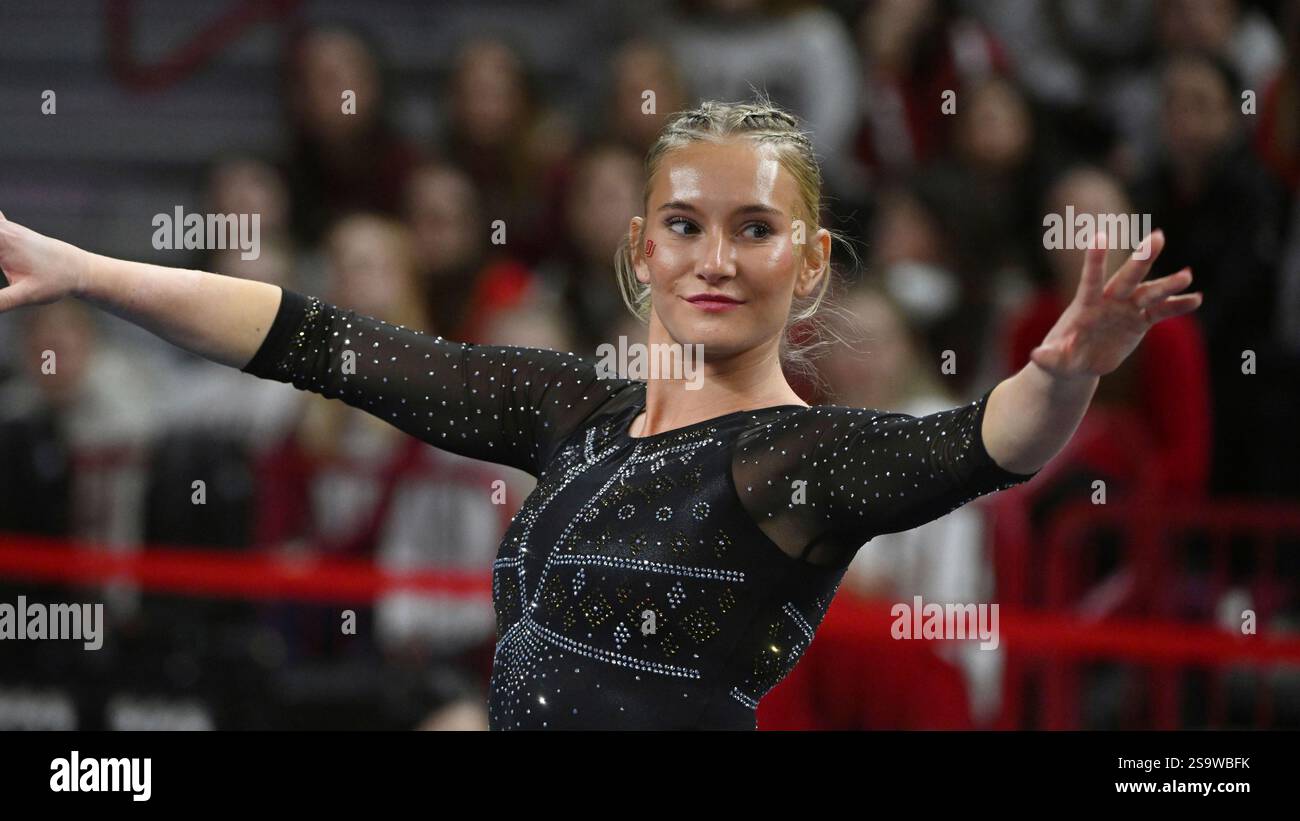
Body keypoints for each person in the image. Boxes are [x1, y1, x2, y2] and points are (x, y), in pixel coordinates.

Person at [0, 99, 1202, 730]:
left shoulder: (796, 463)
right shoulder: (568, 412)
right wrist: (93, 273)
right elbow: (315, 340)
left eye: (755, 228)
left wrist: (1063, 373)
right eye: (684, 224)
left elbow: (983, 444)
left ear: (814, 263)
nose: (714, 258)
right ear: (640, 250)